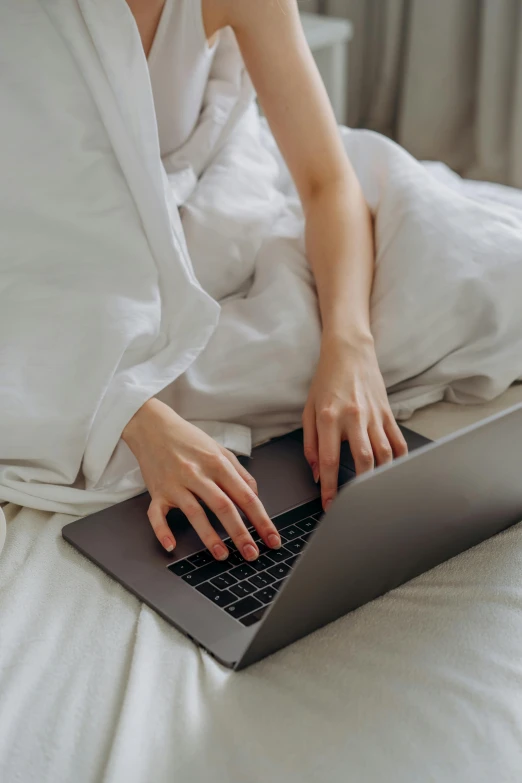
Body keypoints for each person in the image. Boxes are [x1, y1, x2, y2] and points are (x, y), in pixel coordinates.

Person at [118, 0, 409, 564]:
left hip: (214, 208)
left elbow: (328, 182)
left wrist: (351, 345)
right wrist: (130, 413)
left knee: (459, 284)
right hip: (73, 263)